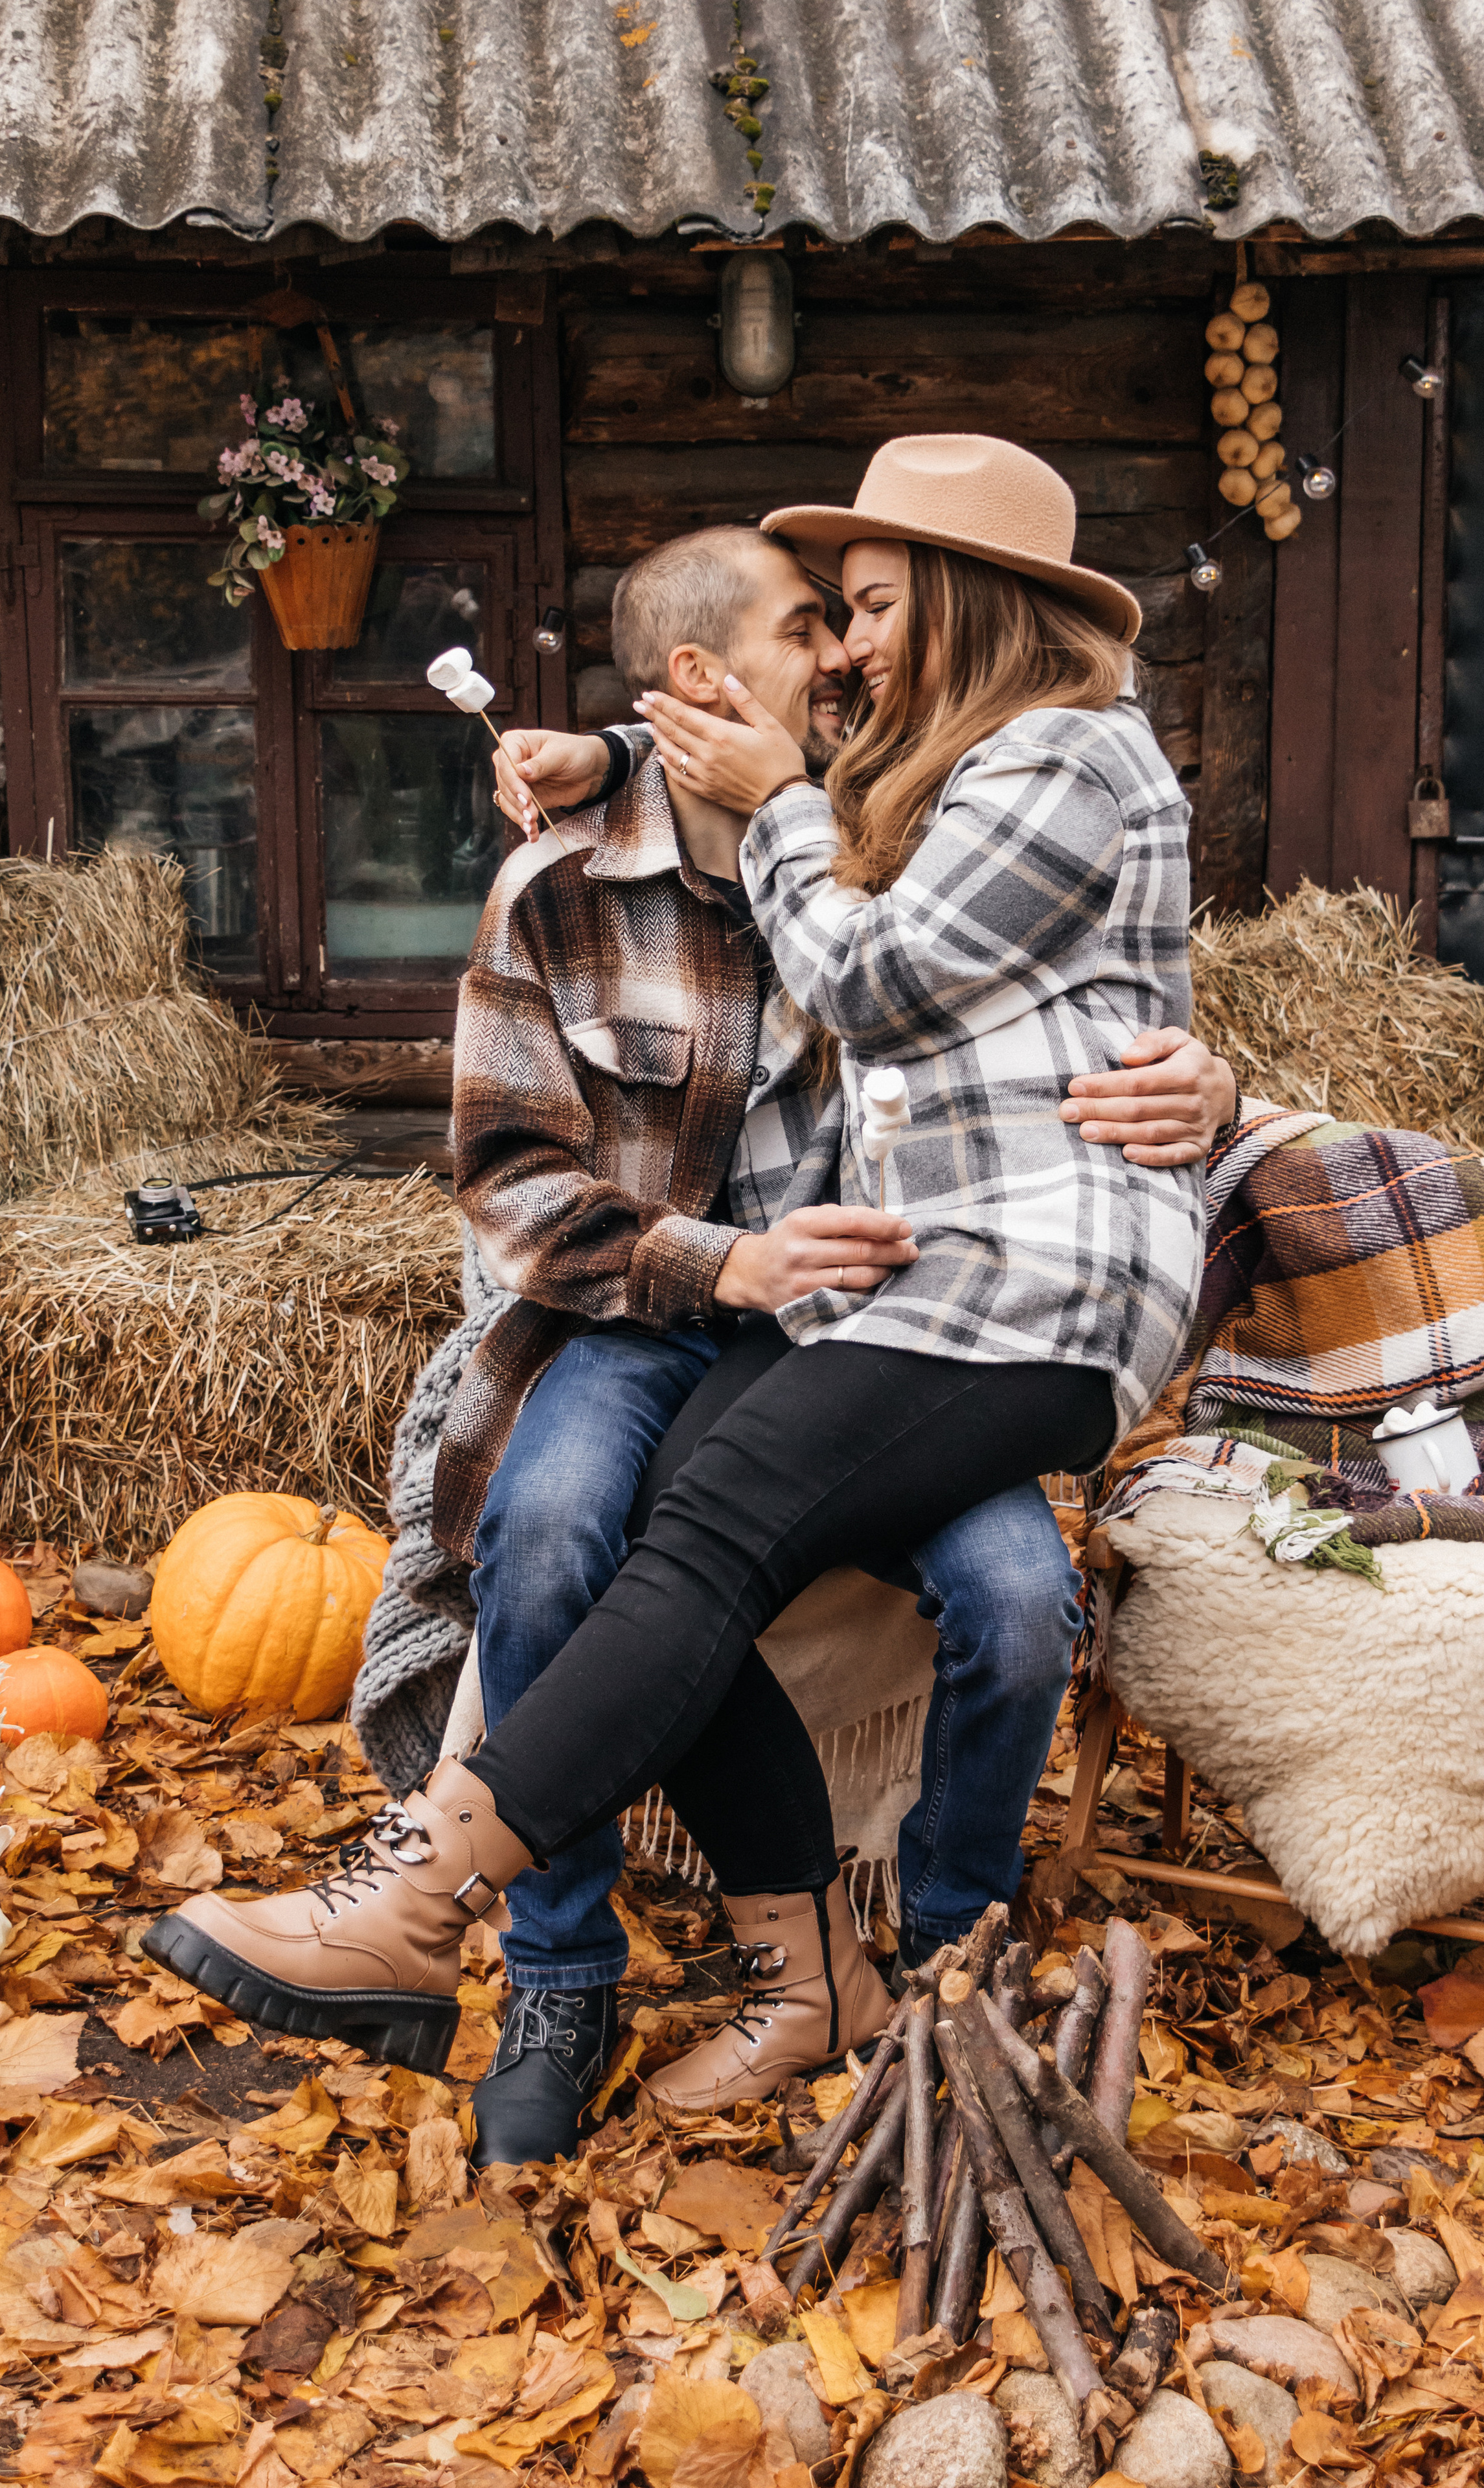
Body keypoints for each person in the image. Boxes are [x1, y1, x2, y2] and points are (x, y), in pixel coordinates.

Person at [147, 442, 1225, 2137]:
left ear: (952, 610)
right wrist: (621, 751)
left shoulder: (992, 780)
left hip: (984, 1301)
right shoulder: (622, 860)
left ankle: (466, 1916)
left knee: (942, 1583)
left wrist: (1213, 1083)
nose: (854, 656)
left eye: (866, 614)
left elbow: (909, 977)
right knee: (615, 1530)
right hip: (697, 1315)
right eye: (829, 625)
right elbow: (512, 1188)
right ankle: (605, 1980)